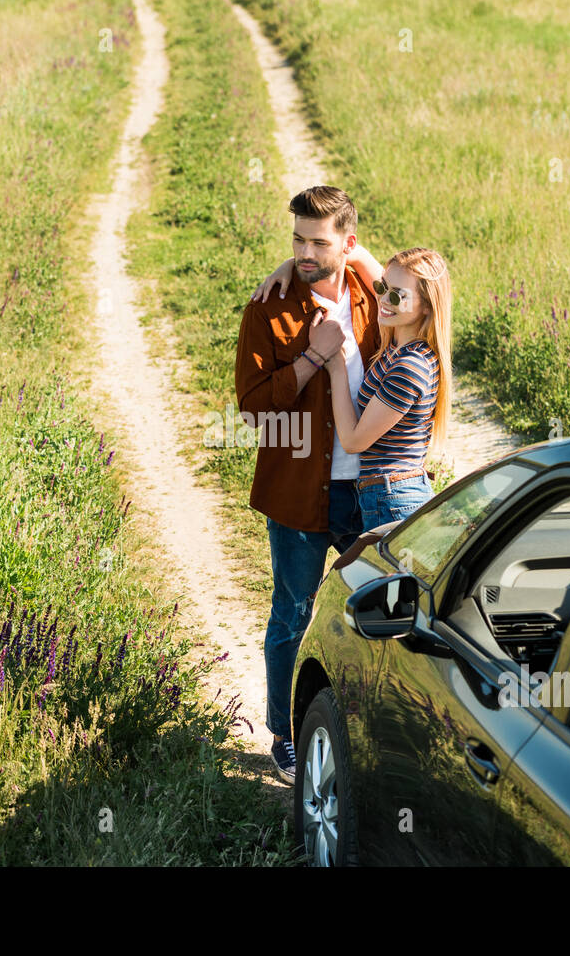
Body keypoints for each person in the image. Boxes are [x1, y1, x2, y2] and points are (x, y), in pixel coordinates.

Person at [234, 185, 375, 784]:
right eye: (296, 239)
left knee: (376, 614)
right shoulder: (267, 310)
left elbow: (422, 286)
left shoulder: (375, 293)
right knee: (292, 613)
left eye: (319, 241)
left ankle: (365, 732)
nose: (304, 253)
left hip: (371, 490)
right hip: (296, 491)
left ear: (347, 242)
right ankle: (285, 734)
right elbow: (253, 409)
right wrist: (311, 359)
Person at [254, 245, 453, 531]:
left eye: (398, 295)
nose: (384, 299)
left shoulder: (409, 366)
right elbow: (354, 252)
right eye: (382, 287)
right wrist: (290, 266)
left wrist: (334, 363)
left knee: (385, 577)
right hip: (385, 494)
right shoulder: (397, 347)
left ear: (426, 306)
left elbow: (353, 440)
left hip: (394, 499)